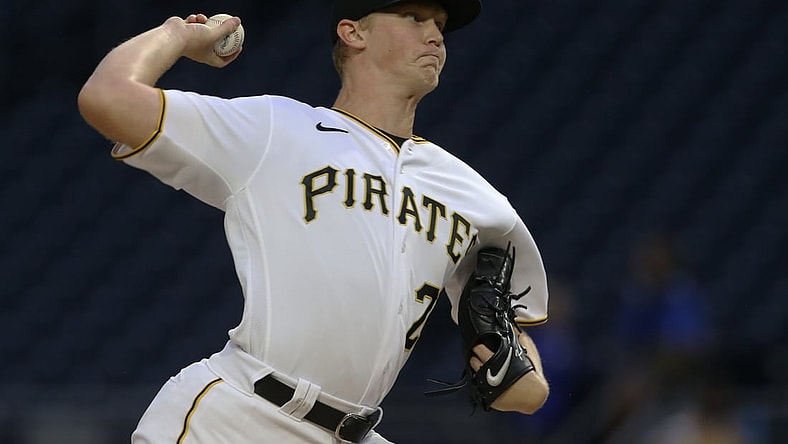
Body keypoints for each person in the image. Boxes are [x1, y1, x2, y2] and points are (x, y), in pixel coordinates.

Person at [77, 1, 550, 442]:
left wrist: (529, 379)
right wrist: (176, 34)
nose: (435, 37)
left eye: (440, 26)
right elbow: (107, 97)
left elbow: (513, 339)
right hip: (240, 417)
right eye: (413, 17)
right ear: (353, 32)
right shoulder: (275, 129)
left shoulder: (474, 195)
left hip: (358, 431)